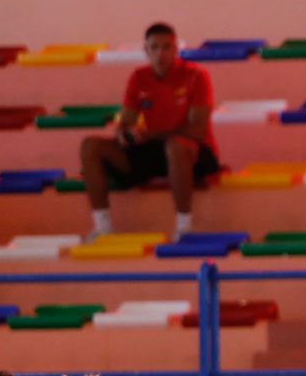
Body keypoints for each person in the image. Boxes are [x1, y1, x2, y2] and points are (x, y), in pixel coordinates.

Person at [80, 23, 220, 241]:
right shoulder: (138, 78)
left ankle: (184, 229)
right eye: (154, 47)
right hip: (154, 150)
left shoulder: (196, 76)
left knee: (175, 146)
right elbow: (125, 122)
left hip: (192, 152)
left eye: (166, 47)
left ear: (176, 49)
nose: (160, 53)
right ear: (146, 51)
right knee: (90, 146)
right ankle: (102, 228)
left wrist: (150, 135)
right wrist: (124, 135)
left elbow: (197, 130)